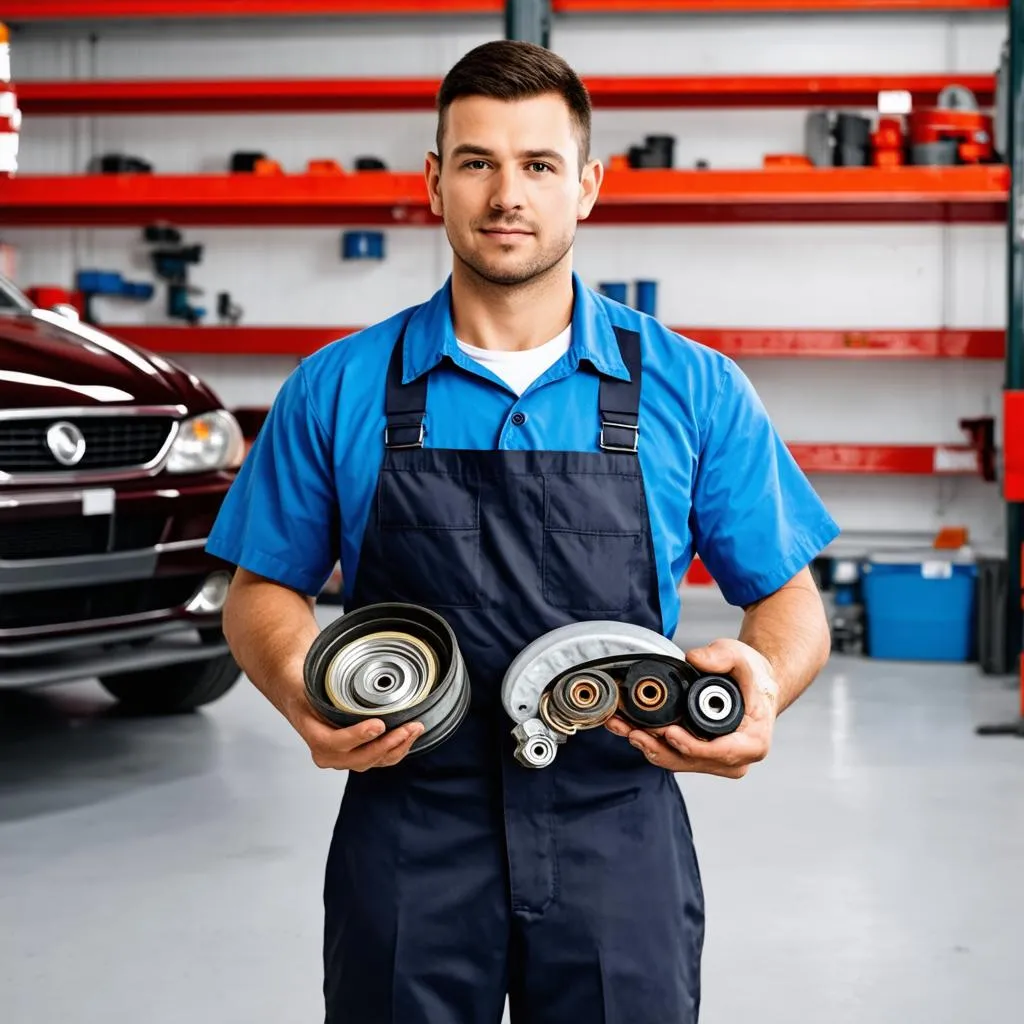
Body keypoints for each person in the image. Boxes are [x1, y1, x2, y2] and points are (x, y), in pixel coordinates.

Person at [208, 38, 840, 1024]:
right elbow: (261, 589)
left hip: (615, 822)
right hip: (410, 823)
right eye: (477, 161)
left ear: (585, 186)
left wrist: (761, 684)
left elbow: (787, 599)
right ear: (434, 182)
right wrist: (303, 690)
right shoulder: (336, 388)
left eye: (539, 164)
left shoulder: (693, 389)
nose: (508, 193)